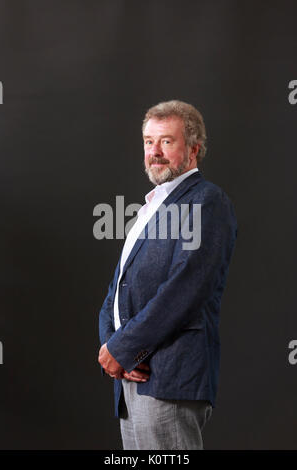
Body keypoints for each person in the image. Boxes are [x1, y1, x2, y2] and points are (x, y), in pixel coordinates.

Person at [98, 100, 237, 450]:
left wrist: (125, 348)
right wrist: (113, 349)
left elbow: (186, 290)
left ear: (193, 149)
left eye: (166, 141)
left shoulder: (207, 202)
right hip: (131, 376)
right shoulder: (150, 207)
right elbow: (118, 288)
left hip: (169, 378)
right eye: (148, 141)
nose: (154, 152)